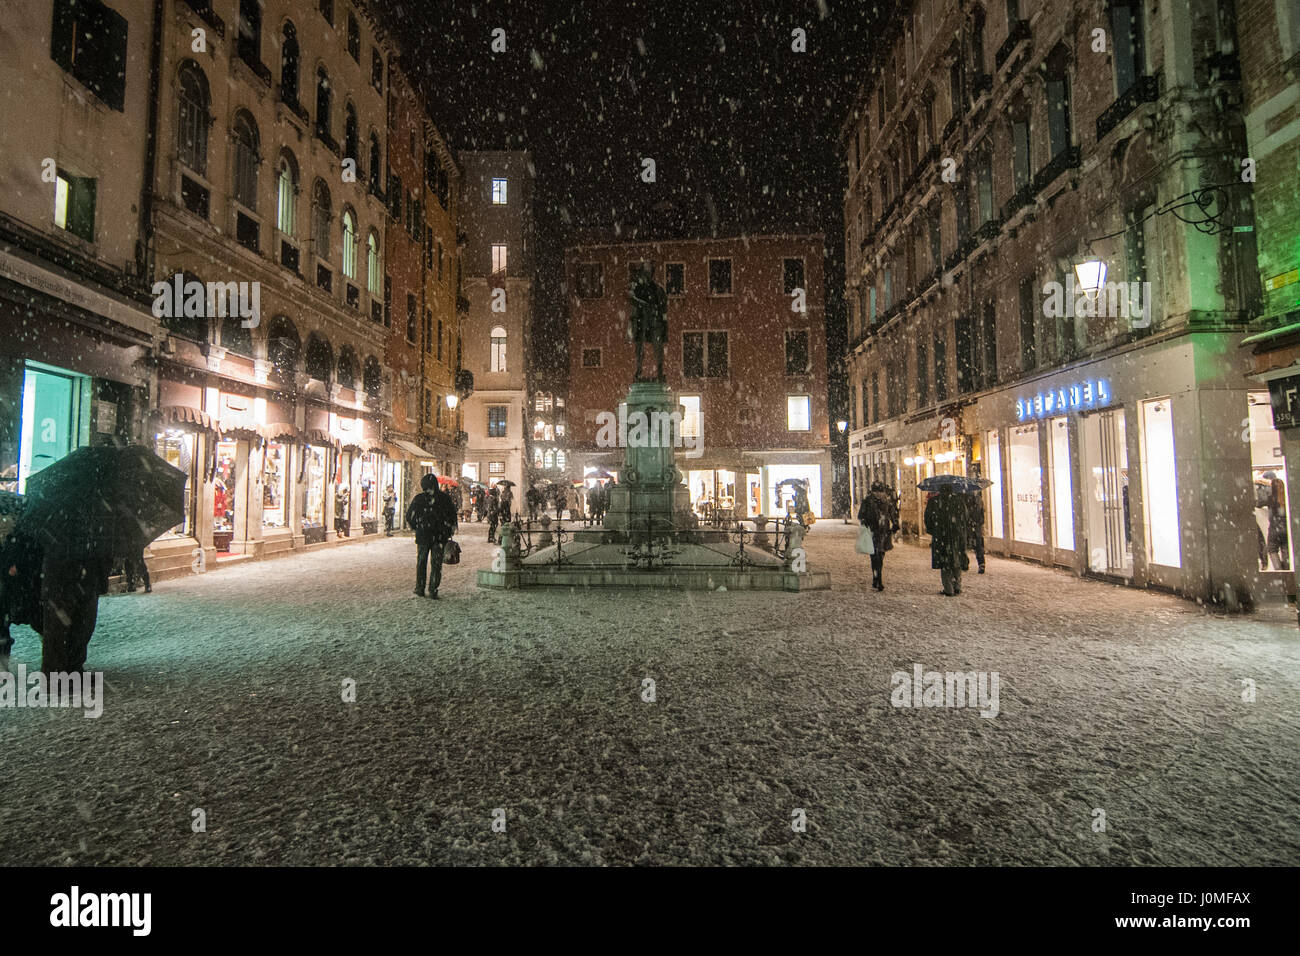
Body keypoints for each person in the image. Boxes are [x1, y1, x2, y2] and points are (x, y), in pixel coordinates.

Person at [405, 473, 458, 599]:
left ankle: (420, 588)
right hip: (439, 536)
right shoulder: (444, 499)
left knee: (421, 562)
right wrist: (448, 529)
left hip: (424, 535)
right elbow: (452, 517)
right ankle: (433, 589)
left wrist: (416, 526)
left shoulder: (419, 499)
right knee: (436, 564)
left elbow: (409, 516)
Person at [925, 484, 969, 596]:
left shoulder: (934, 501)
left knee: (944, 561)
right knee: (956, 559)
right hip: (956, 535)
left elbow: (927, 518)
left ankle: (948, 588)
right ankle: (957, 586)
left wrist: (933, 530)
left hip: (941, 535)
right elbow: (965, 518)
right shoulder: (958, 500)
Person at [858, 482, 900, 591]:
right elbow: (861, 516)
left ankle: (877, 577)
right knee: (875, 556)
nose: (879, 494)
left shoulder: (886, 502)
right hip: (872, 531)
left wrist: (895, 524)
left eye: (880, 492)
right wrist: (866, 522)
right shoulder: (867, 501)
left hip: (884, 532)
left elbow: (892, 514)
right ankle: (877, 578)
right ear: (873, 492)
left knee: (880, 555)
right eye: (876, 492)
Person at [966, 489, 987, 574]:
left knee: (977, 545)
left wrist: (977, 522)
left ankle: (981, 564)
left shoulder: (978, 500)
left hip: (974, 527)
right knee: (972, 545)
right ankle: (967, 563)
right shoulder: (968, 499)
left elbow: (982, 513)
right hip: (971, 526)